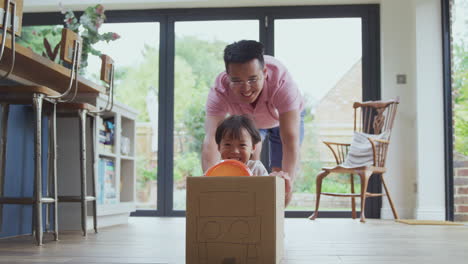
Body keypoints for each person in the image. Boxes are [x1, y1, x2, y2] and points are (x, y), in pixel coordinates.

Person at [202, 40, 304, 206]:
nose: (246, 88)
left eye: (252, 79)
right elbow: (211, 140)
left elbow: (290, 139)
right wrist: (210, 184)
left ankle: (275, 224)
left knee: (279, 178)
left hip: (282, 120)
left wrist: (286, 185)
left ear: (264, 72)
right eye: (237, 81)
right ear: (227, 77)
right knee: (248, 167)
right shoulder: (219, 91)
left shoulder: (283, 85)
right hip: (249, 122)